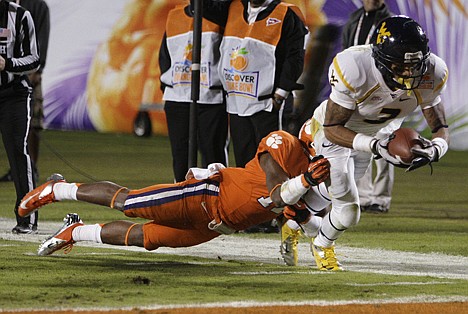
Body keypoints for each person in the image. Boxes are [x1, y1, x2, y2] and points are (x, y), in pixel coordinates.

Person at [18, 130, 331, 256]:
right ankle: (56, 189)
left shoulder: (312, 181)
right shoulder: (284, 143)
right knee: (130, 202)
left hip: (215, 226)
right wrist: (303, 181)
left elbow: (311, 222)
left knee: (148, 239)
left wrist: (301, 217)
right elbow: (278, 192)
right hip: (205, 198)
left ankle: (76, 232)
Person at [307, 16, 450, 270]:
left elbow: (440, 128)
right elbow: (332, 128)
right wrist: (375, 146)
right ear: (382, 60)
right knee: (348, 210)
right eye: (400, 66)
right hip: (341, 134)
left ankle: (296, 217)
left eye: (415, 65)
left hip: (378, 133)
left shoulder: (433, 72)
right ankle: (321, 244)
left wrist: (436, 149)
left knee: (330, 194)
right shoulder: (354, 67)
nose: (409, 73)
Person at [204, 0, 308, 233]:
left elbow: (294, 56)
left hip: (269, 101)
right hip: (238, 99)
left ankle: (283, 215)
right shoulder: (232, 7)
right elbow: (202, 8)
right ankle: (251, 215)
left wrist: (281, 93)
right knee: (244, 159)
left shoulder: (286, 13)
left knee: (276, 161)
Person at [159, 1, 228, 182]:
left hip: (211, 97)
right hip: (178, 96)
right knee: (180, 152)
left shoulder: (221, 15)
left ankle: (215, 199)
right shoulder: (174, 16)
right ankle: (181, 197)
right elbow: (165, 56)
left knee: (212, 153)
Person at [341, 0, 395, 213]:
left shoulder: (390, 22)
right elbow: (346, 50)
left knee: (385, 143)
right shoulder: (355, 19)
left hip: (383, 89)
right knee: (359, 144)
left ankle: (380, 199)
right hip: (358, 88)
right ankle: (363, 196)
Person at [0, 0, 40, 233]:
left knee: (17, 152)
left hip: (13, 94)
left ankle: (27, 217)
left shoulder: (21, 16)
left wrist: (8, 64)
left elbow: (34, 58)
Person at [0, 0, 50, 184]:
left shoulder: (35, 7)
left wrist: (38, 70)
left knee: (34, 125)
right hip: (17, 77)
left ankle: (33, 168)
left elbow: (40, 41)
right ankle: (14, 170)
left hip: (23, 80)